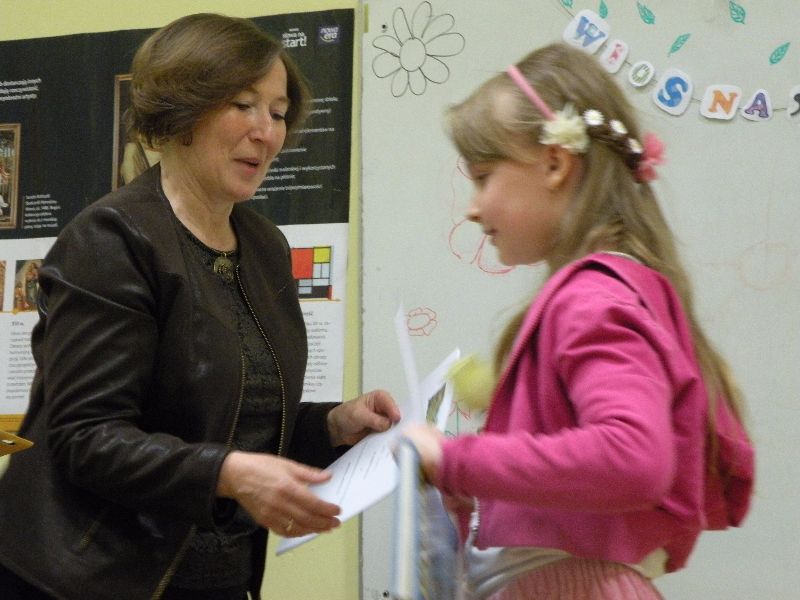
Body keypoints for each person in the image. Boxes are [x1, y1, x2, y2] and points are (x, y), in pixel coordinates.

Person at [0, 13, 400, 600]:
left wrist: (331, 426)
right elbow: (88, 438)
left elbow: (230, 419)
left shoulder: (265, 247)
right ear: (182, 110)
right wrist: (229, 473)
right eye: (243, 105)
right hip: (88, 580)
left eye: (278, 113)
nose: (266, 133)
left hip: (217, 579)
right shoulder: (111, 239)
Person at [401, 42, 754, 599]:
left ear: (555, 163)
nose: (472, 207)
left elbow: (632, 458)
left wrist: (456, 460)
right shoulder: (612, 289)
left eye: (483, 176)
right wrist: (482, 489)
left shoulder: (592, 298)